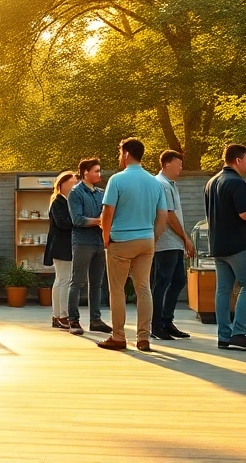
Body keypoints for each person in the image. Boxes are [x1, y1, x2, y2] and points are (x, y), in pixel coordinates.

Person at [96, 138, 167, 353]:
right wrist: (152, 239)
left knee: (117, 290)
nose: (119, 157)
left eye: (120, 153)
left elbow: (107, 212)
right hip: (146, 240)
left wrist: (105, 237)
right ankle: (143, 338)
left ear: (126, 154)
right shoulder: (155, 182)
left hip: (121, 241)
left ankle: (118, 336)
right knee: (143, 288)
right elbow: (162, 216)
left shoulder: (117, 180)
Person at [205, 144, 246, 351]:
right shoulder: (237, 182)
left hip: (218, 245)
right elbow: (244, 214)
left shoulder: (212, 182)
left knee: (223, 291)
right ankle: (239, 333)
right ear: (238, 160)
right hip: (239, 245)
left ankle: (223, 335)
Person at [151, 150, 195, 340]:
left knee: (178, 281)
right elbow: (168, 215)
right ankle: (156, 324)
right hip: (166, 242)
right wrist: (186, 237)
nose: (181, 168)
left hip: (174, 242)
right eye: (178, 164)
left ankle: (167, 321)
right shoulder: (161, 184)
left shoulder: (171, 184)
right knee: (162, 282)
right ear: (167, 164)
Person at [67, 157, 111, 336]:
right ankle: (73, 320)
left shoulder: (101, 193)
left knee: (97, 283)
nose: (99, 174)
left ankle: (95, 320)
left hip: (99, 242)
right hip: (82, 242)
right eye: (96, 171)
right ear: (85, 172)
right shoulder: (75, 193)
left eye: (99, 171)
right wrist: (100, 221)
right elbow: (77, 219)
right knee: (77, 282)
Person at [43, 170, 77, 329]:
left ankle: (57, 315)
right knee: (64, 280)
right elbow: (63, 223)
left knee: (61, 280)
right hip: (61, 246)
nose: (74, 187)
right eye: (71, 184)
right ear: (61, 185)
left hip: (62, 246)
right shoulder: (58, 202)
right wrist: (78, 220)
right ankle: (62, 315)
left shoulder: (63, 201)